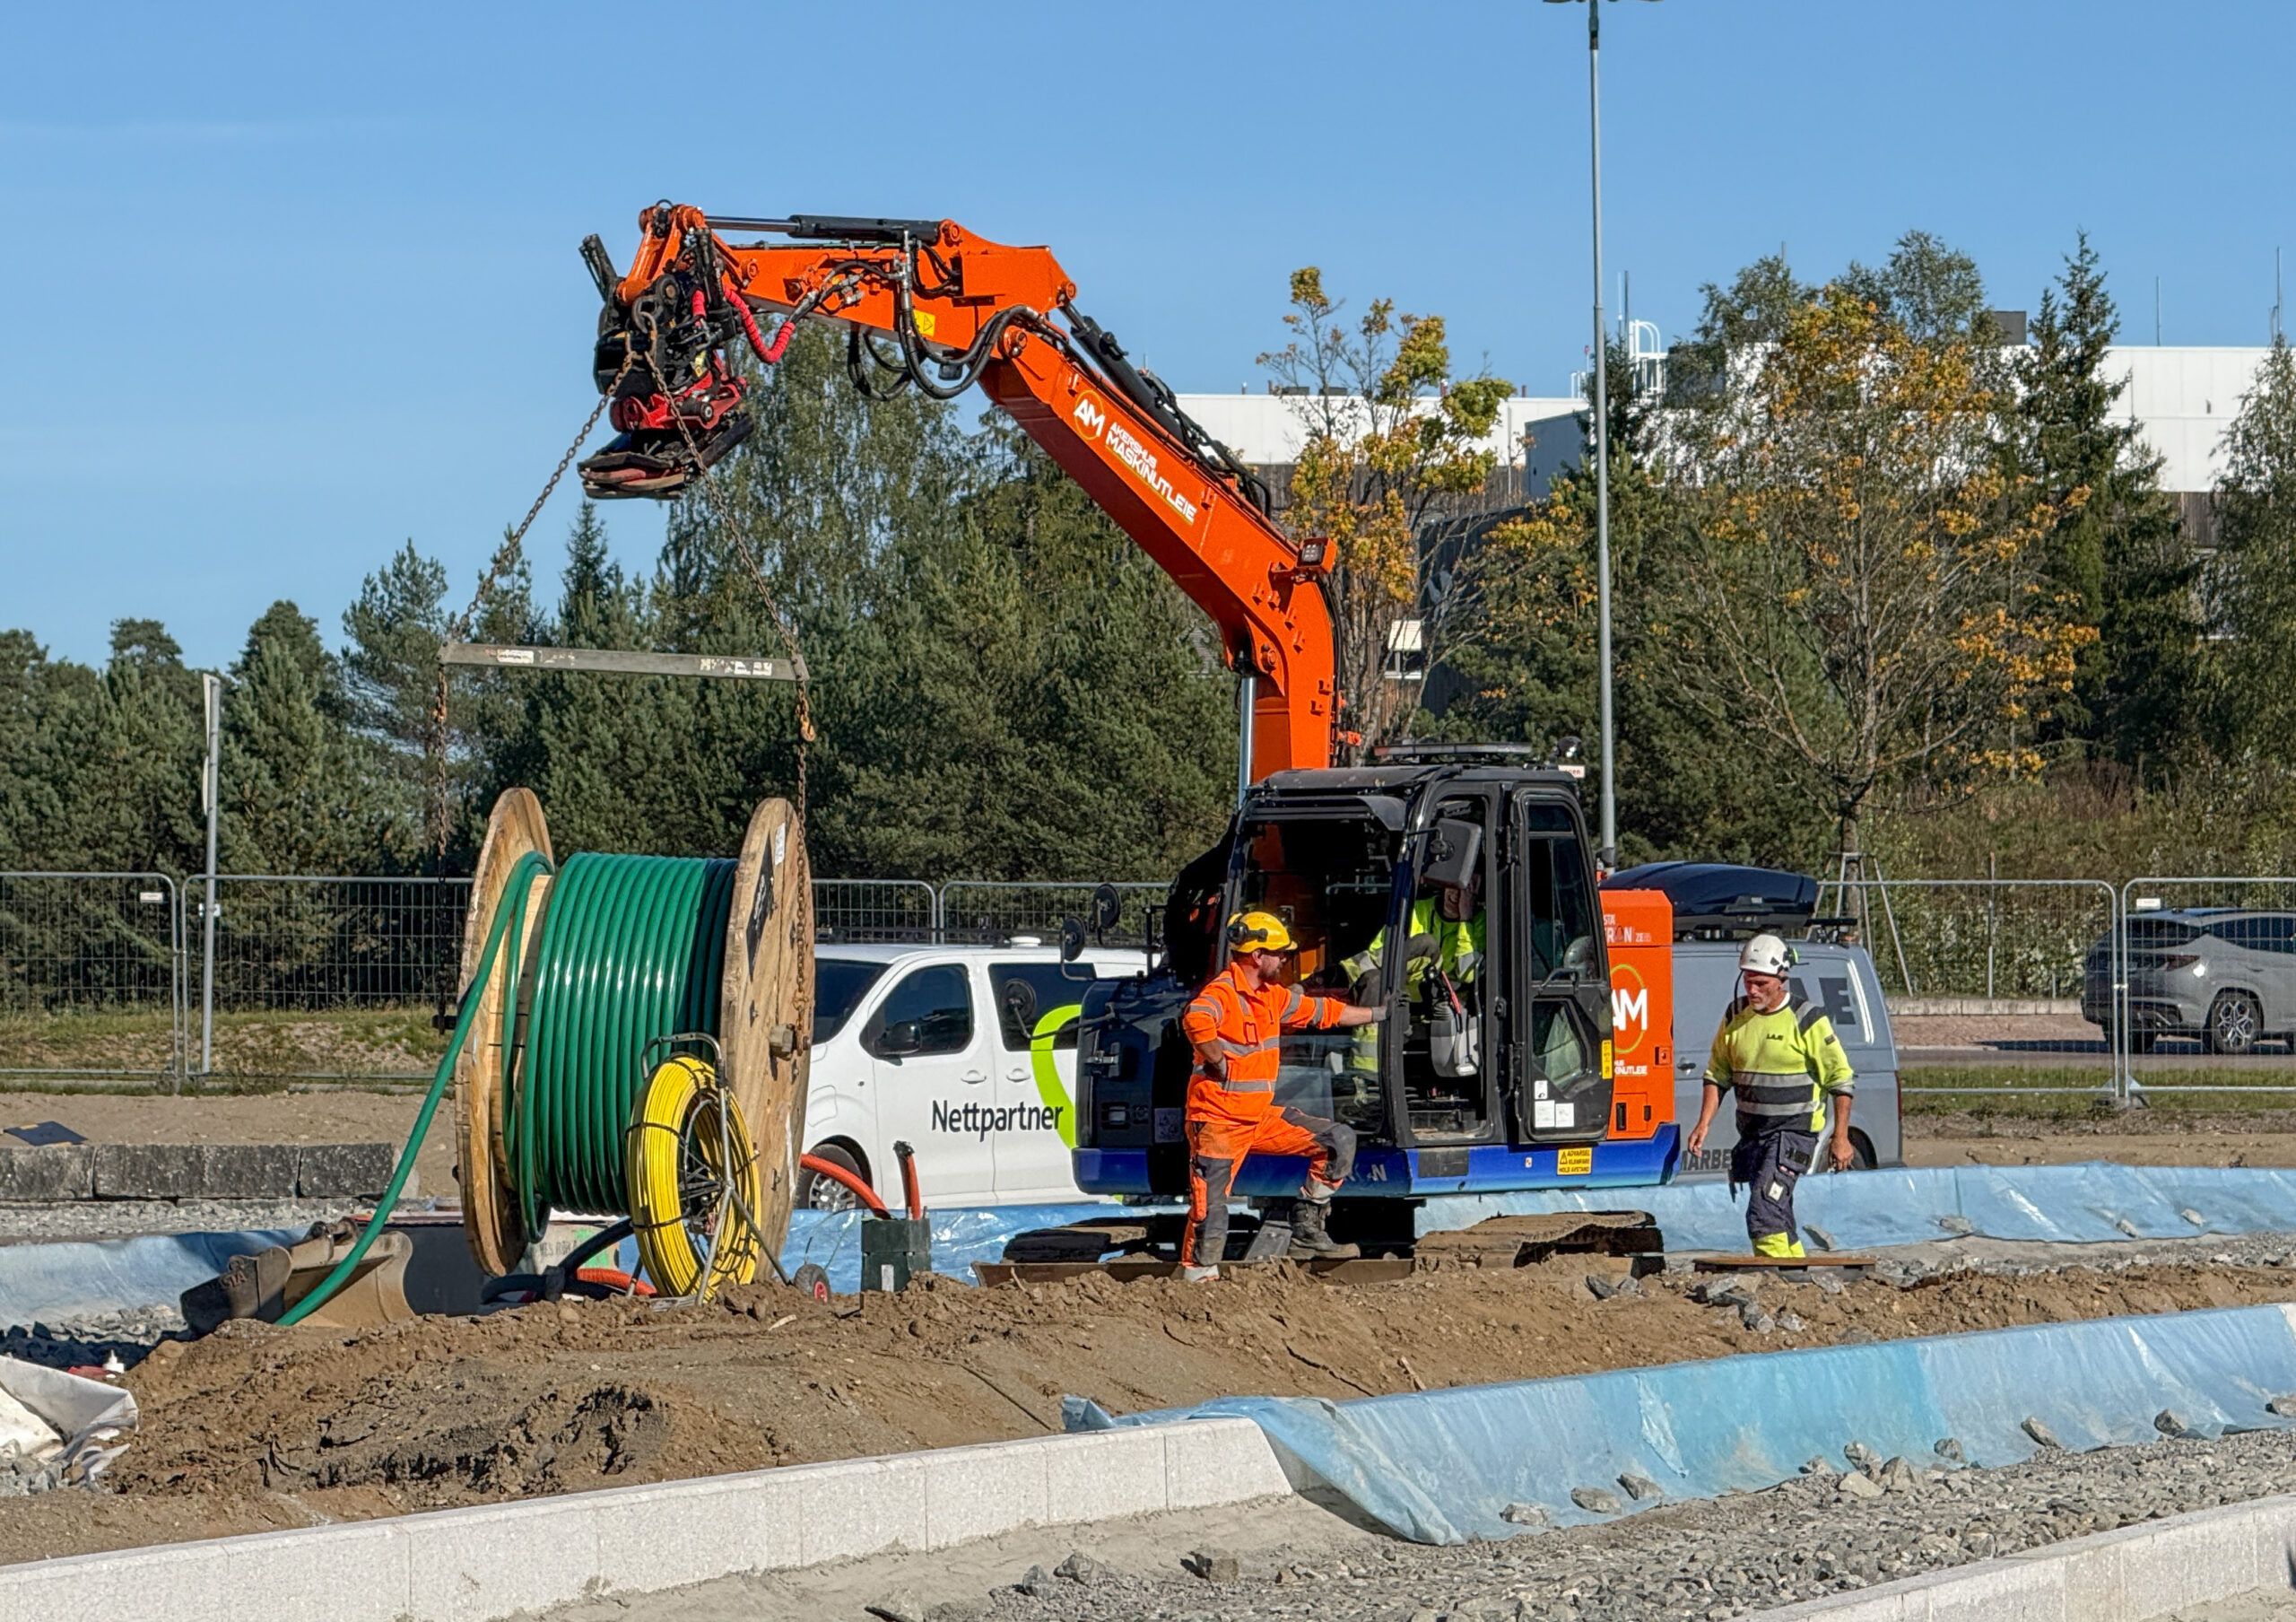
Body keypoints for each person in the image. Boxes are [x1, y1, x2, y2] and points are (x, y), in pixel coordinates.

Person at [1178, 911, 1386, 1281]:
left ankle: (1307, 1231)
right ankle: (1197, 1285)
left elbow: (1325, 1012)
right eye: (1281, 953)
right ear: (1258, 956)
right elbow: (1195, 1019)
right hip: (1218, 1122)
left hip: (1258, 1117)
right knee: (1210, 1210)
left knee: (1337, 1140)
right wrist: (1216, 1061)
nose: (1286, 959)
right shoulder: (1222, 993)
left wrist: (1378, 1014)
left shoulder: (1271, 997)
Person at [1684, 933, 1855, 1259]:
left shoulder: (1806, 1019)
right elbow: (1717, 1073)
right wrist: (1704, 1123)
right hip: (1753, 1135)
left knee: (1764, 1213)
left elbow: (1841, 1079)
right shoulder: (1735, 1016)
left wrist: (1841, 1137)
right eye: (1748, 980)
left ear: (1781, 979)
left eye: (1761, 983)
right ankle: (1796, 1278)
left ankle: (1775, 1283)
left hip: (1793, 1134)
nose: (1752, 990)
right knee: (1779, 1213)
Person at [1338, 878, 1485, 1081]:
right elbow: (1379, 955)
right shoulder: (1417, 910)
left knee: (1425, 944)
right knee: (1373, 980)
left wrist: (1464, 920)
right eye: (1454, 886)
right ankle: (1366, 1076)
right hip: (1401, 988)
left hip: (1444, 999)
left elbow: (1466, 973)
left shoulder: (1480, 921)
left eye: (1468, 889)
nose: (1457, 896)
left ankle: (1338, 976)